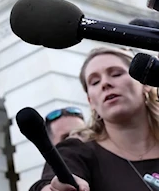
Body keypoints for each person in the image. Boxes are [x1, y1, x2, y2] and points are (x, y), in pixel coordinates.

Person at [30, 47, 159, 191]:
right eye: (95, 82)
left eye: (116, 74)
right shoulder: (75, 152)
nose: (105, 84)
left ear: (145, 83)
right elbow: (49, 183)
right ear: (90, 100)